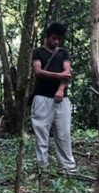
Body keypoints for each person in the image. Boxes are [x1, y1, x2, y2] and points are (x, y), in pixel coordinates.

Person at [31, 21, 77, 172]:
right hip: (42, 97)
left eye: (58, 39)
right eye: (53, 38)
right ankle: (41, 167)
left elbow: (67, 73)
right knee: (41, 133)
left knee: (63, 133)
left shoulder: (63, 53)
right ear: (47, 37)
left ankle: (67, 168)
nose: (56, 41)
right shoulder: (38, 52)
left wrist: (61, 89)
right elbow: (38, 71)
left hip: (61, 99)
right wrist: (58, 75)